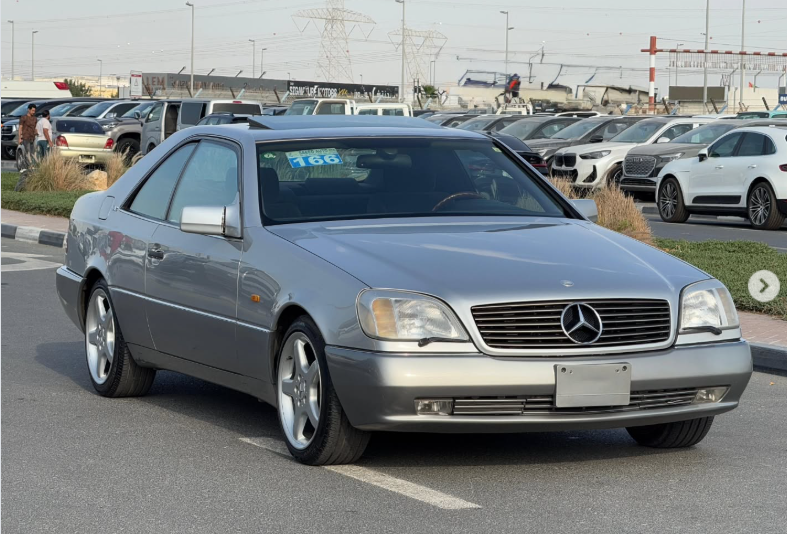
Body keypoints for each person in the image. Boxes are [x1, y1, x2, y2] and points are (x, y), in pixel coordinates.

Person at [17, 103, 37, 170]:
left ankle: (32, 165)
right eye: (32, 110)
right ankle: (29, 166)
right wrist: (20, 138)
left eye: (34, 111)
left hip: (33, 137)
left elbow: (35, 127)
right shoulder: (24, 118)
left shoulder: (34, 118)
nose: (33, 112)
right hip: (26, 137)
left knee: (33, 152)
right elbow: (20, 128)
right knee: (27, 152)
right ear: (29, 110)